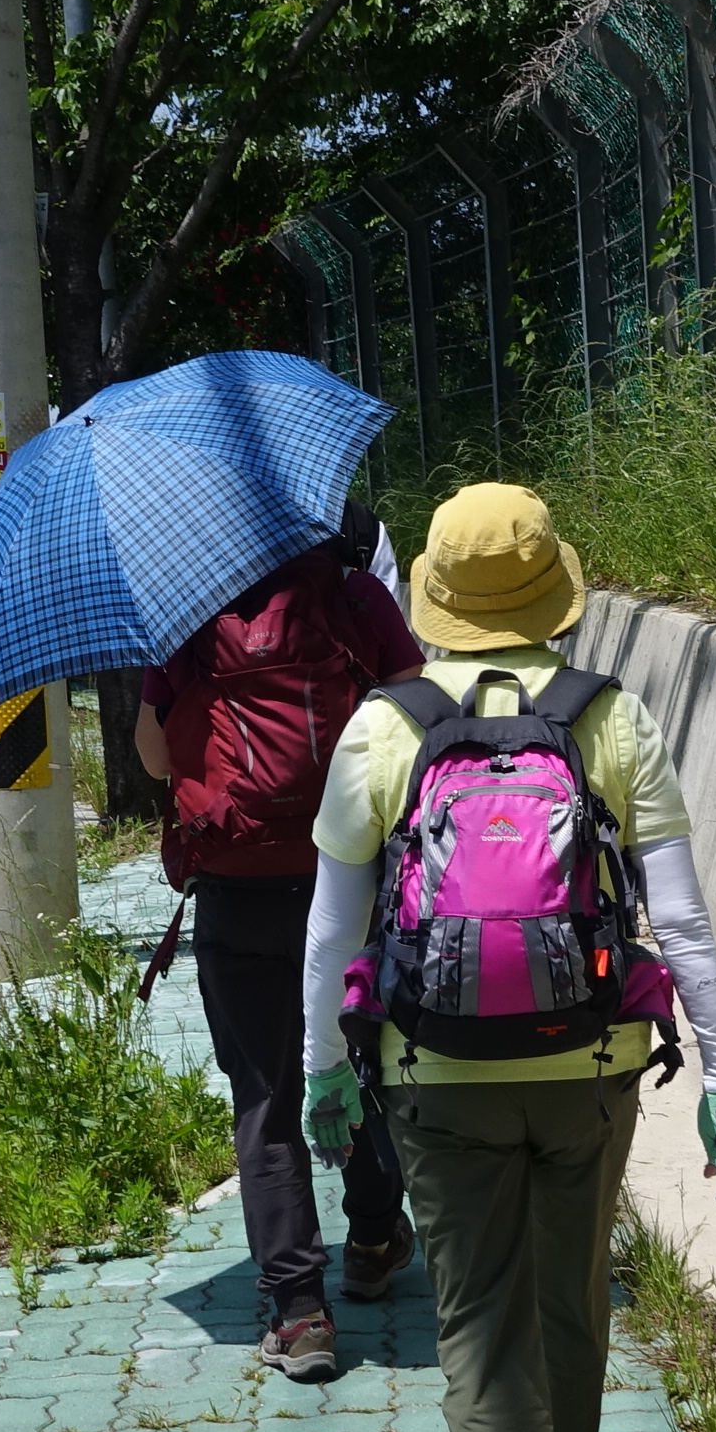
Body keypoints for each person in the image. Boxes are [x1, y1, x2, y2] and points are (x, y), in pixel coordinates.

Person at [298, 483, 716, 1432]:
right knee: (573, 1280)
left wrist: (325, 1070)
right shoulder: (610, 719)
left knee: (477, 1319)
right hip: (591, 1064)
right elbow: (682, 922)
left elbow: (332, 929)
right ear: (556, 589)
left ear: (433, 597)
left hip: (435, 1073)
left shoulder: (384, 728)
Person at [137, 506, 425, 1385]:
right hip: (353, 877)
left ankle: (299, 1314)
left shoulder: (187, 614)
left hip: (238, 888)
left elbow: (154, 759)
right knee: (360, 1059)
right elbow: (417, 721)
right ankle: (371, 1240)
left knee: (265, 1095)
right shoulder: (358, 597)